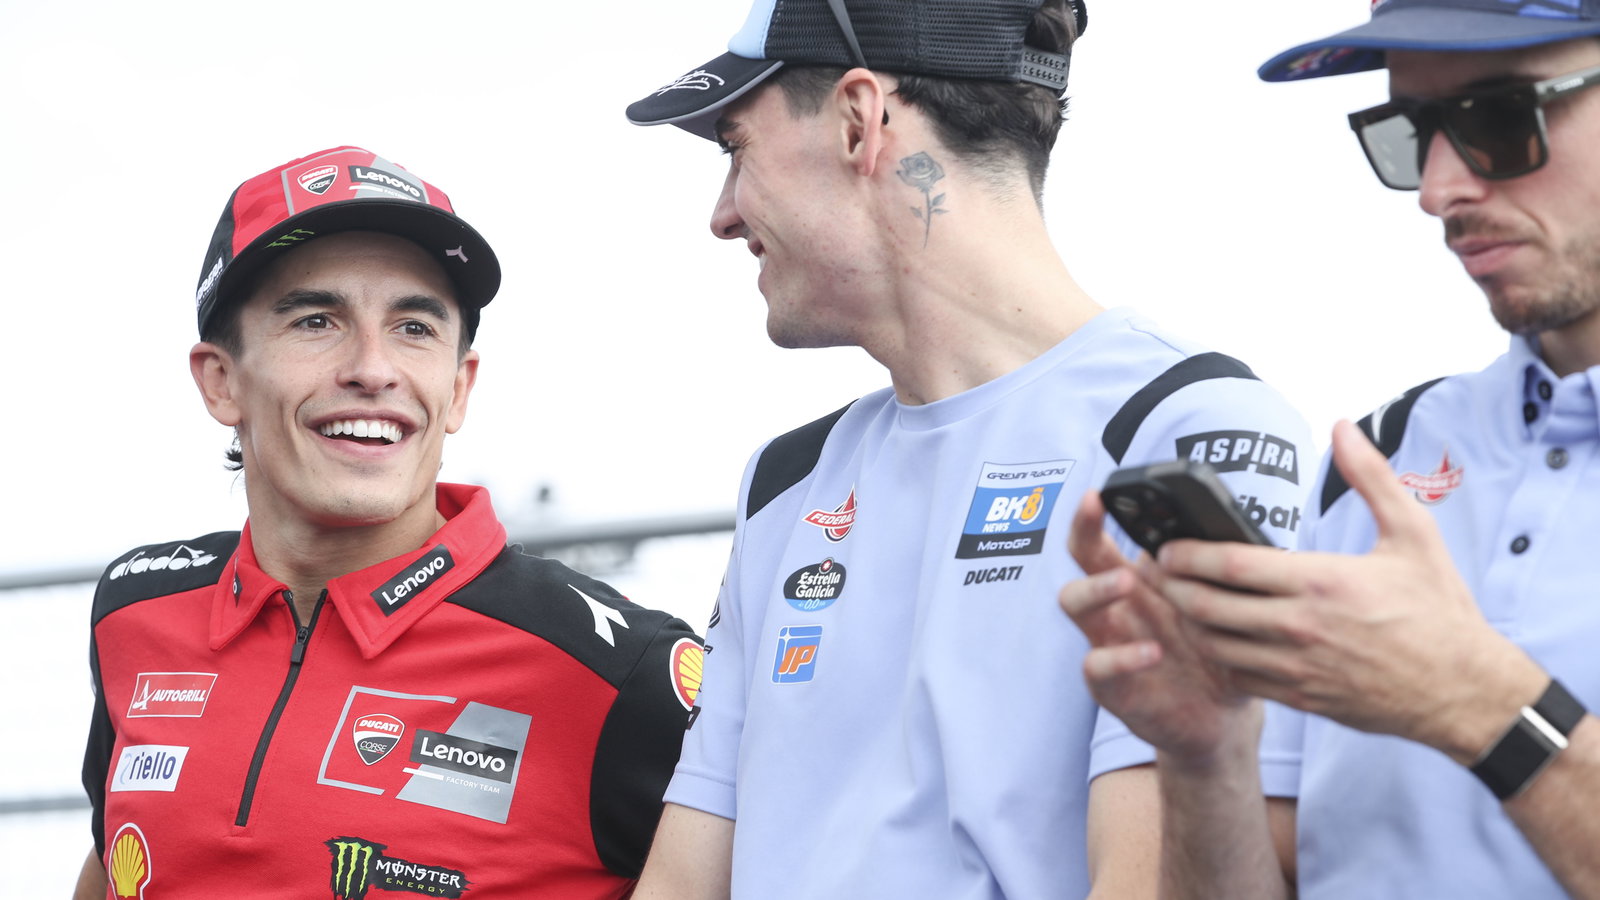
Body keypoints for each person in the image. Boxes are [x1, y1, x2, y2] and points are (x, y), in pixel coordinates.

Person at [622, 1, 1312, 896]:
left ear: (858, 120)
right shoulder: (787, 480)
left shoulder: (1190, 431)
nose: (722, 214)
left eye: (735, 148)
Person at [1059, 2, 1600, 897]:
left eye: (1499, 118)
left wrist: (1484, 704)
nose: (1437, 189)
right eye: (1412, 130)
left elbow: (1480, 705)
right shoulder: (1383, 458)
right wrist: (1206, 754)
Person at [74, 146, 702, 899]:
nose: (373, 369)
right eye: (316, 321)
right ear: (221, 381)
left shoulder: (619, 670)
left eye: (415, 328)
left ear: (459, 388)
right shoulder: (135, 611)